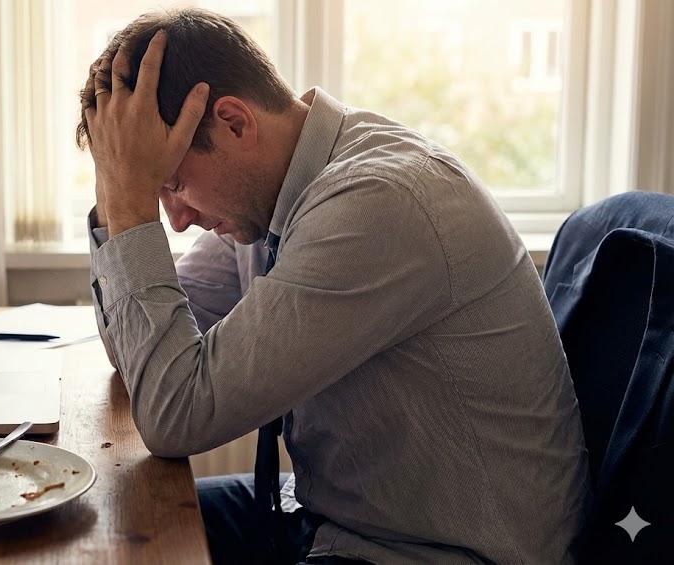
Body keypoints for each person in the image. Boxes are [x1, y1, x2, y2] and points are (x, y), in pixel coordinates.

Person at [77, 8, 589, 564]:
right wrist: (116, 191)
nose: (173, 220)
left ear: (233, 123)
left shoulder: (376, 203)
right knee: (114, 528)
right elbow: (135, 360)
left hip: (436, 551)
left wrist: (131, 211)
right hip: (336, 517)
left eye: (172, 184)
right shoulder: (266, 199)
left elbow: (176, 414)